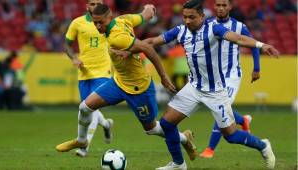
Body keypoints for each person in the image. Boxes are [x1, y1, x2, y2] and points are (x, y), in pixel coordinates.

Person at [144, 0, 278, 169]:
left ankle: (263, 145)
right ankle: (178, 163)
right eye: (184, 17)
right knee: (166, 124)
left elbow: (237, 38)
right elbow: (152, 42)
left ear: (202, 16)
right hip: (193, 88)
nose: (187, 21)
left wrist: (261, 45)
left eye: (191, 17)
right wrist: (130, 48)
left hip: (215, 91)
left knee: (231, 135)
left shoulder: (214, 29)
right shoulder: (180, 30)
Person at [56, 3, 198, 161]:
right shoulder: (123, 20)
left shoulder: (117, 37)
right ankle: (82, 141)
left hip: (139, 88)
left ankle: (185, 139)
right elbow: (144, 16)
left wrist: (163, 77)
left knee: (151, 129)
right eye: (94, 22)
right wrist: (148, 9)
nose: (97, 26)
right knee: (85, 107)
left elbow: (147, 48)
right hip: (118, 82)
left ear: (109, 18)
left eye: (100, 22)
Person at [199, 0, 260, 159]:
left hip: (232, 75)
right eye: (218, 5)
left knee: (220, 107)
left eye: (224, 5)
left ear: (230, 7)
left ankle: (210, 149)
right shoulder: (208, 24)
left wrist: (256, 68)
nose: (220, 8)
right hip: (215, 74)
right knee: (218, 106)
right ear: (214, 6)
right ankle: (243, 120)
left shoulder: (240, 27)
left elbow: (253, 45)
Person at [61, 0, 114, 157]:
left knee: (91, 107)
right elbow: (67, 45)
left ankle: (84, 146)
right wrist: (74, 58)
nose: (95, 6)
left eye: (98, 3)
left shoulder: (109, 23)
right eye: (92, 3)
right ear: (86, 5)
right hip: (84, 72)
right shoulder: (77, 23)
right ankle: (106, 124)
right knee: (88, 108)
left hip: (103, 71)